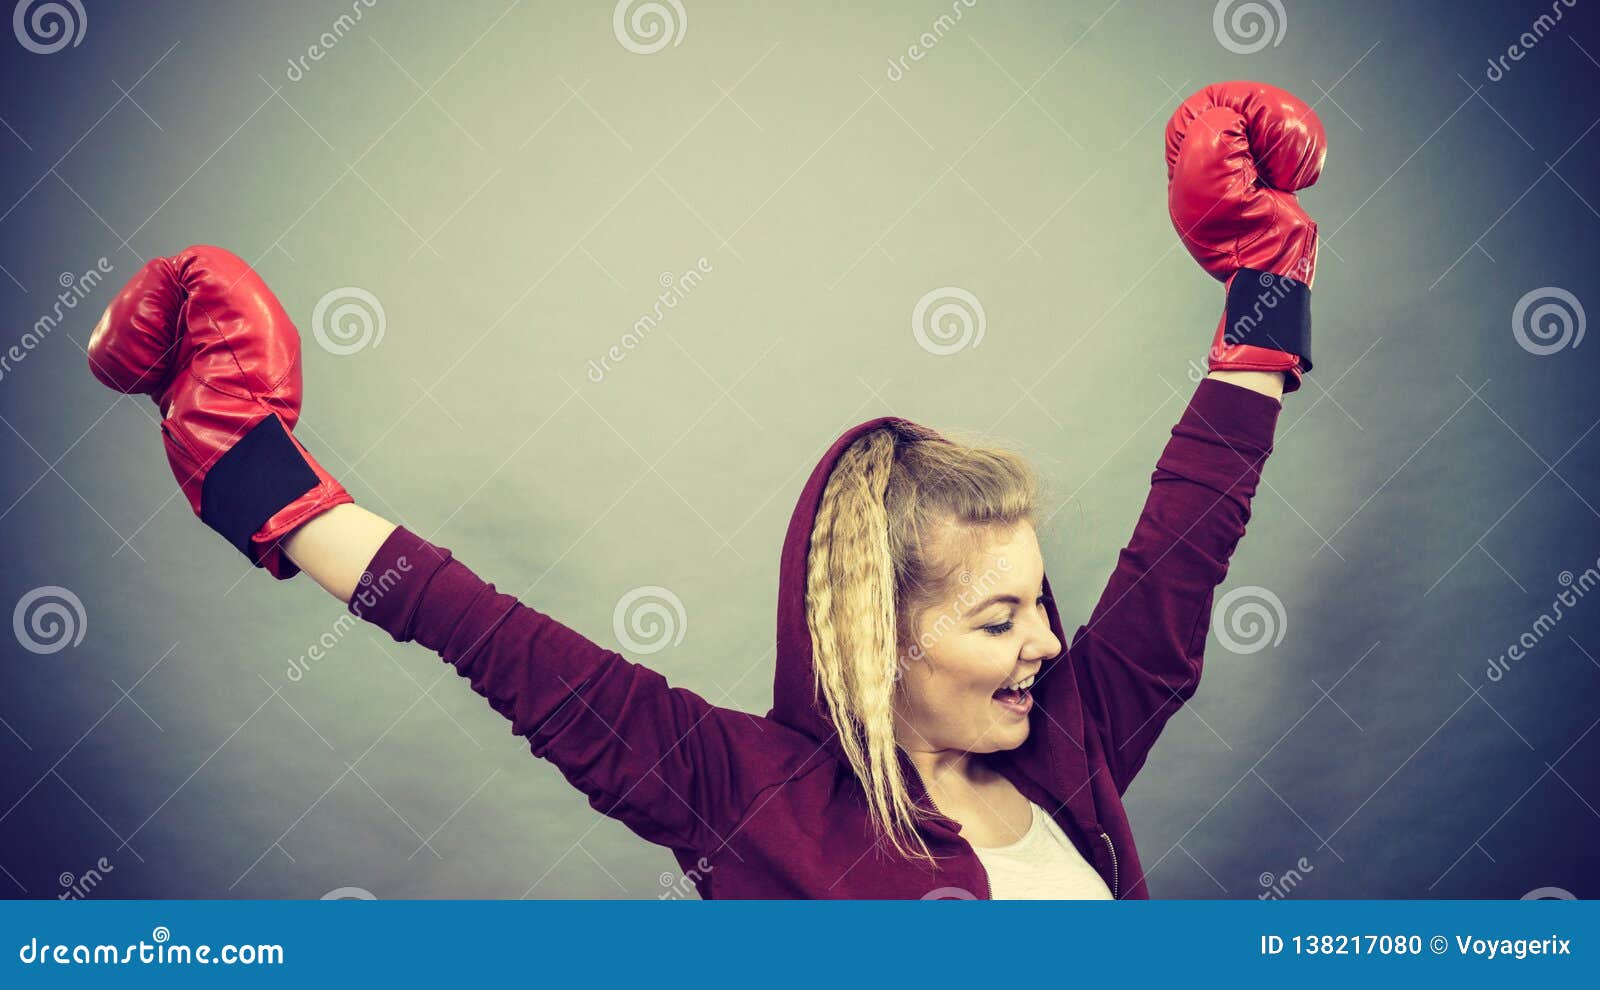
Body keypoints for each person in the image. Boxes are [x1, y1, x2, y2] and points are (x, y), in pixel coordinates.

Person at [85, 80, 1324, 899]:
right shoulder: (748, 800)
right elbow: (490, 637)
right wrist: (256, 475)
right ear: (876, 641)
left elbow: (1188, 536)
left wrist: (1260, 284)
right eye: (996, 619)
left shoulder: (1076, 742)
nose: (1045, 644)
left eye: (1034, 602)